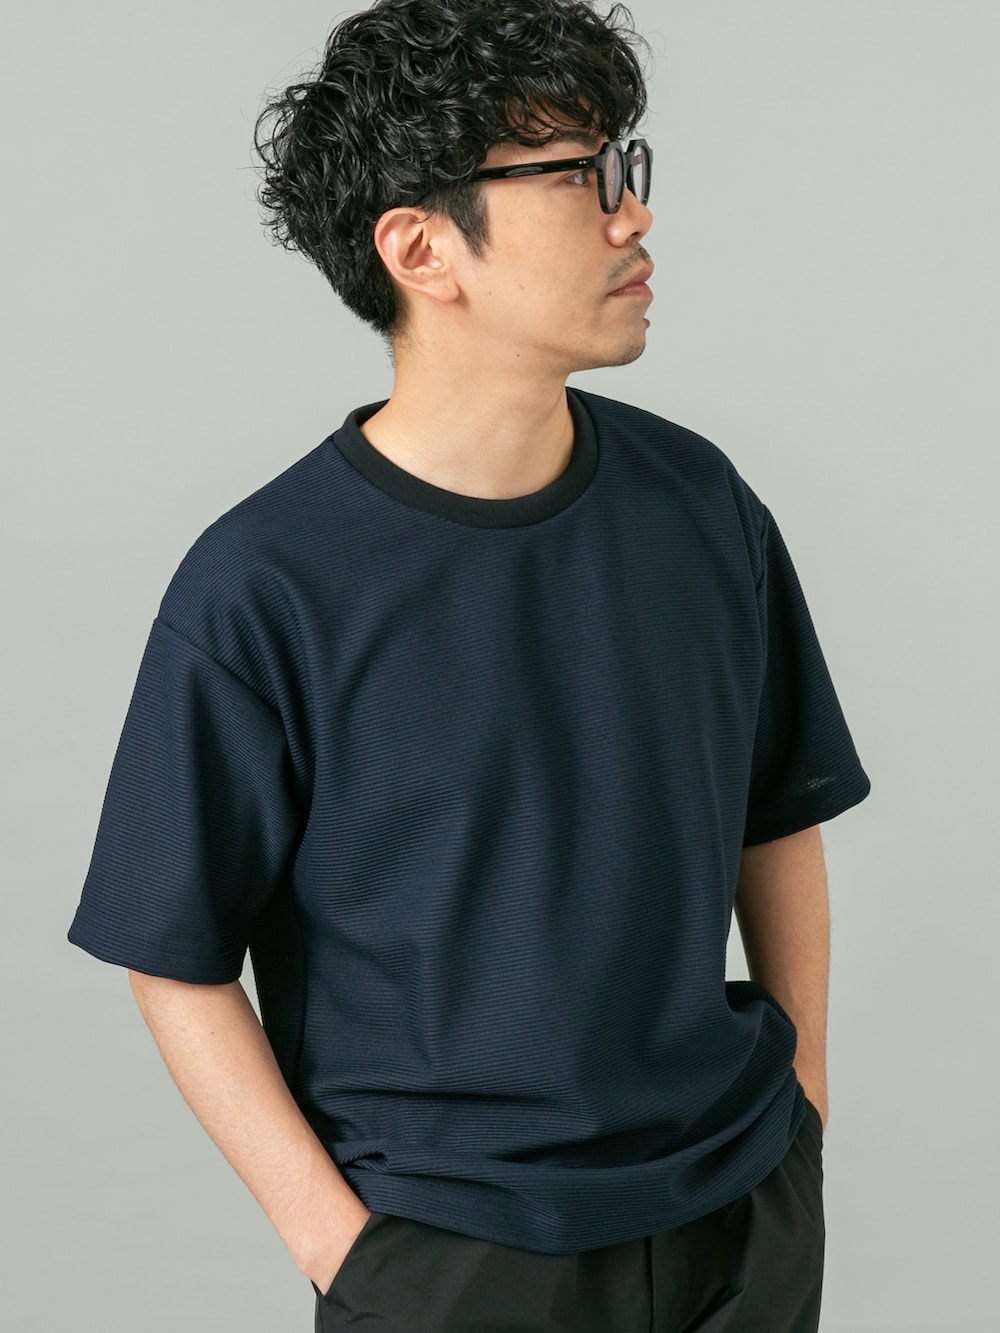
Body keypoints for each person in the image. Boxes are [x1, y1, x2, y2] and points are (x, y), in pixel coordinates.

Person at [68, 1, 870, 1329]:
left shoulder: (701, 505)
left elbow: (778, 814)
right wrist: (351, 1255)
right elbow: (173, 952)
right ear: (420, 248)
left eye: (624, 166)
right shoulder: (263, 584)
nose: (632, 214)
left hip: (737, 1212)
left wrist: (804, 1114)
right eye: (575, 177)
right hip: (453, 1257)